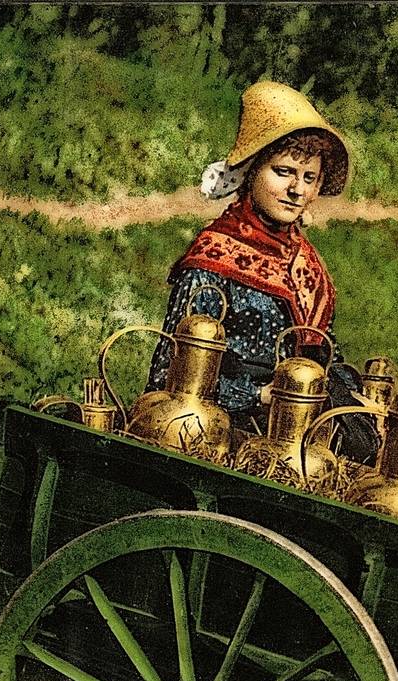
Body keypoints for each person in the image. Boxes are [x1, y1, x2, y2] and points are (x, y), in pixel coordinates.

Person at [146, 80, 376, 461]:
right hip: (215, 436)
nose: (296, 190)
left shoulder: (308, 266)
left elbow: (324, 354)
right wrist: (259, 396)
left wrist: (350, 397)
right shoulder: (214, 256)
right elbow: (169, 372)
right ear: (252, 172)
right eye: (283, 172)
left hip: (294, 438)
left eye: (308, 178)